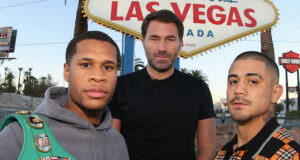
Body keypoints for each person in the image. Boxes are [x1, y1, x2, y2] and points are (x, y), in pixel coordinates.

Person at [0, 31, 129, 160]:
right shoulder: (19, 135)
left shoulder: (118, 141)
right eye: (86, 65)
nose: (98, 76)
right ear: (67, 72)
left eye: (108, 67)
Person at [109, 10, 216, 160]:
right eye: (154, 39)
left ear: (181, 44)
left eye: (170, 39)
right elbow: (111, 146)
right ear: (143, 42)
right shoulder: (120, 86)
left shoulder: (198, 88)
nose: (162, 48)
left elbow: (207, 149)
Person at [215, 51, 300, 159]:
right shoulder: (224, 152)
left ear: (275, 93)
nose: (238, 90)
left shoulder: (289, 156)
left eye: (253, 82)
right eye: (234, 81)